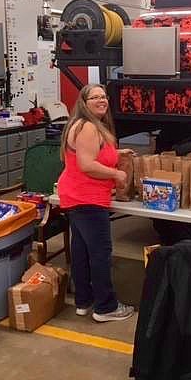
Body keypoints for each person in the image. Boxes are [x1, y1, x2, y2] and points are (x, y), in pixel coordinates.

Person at [57, 83, 134, 322]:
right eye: (95, 98)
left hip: (75, 197)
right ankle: (106, 307)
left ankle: (84, 301)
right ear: (84, 102)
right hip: (88, 199)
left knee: (81, 251)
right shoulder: (89, 127)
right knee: (100, 253)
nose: (102, 101)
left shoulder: (81, 124)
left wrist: (116, 155)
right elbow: (87, 164)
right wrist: (116, 174)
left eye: (104, 96)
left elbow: (88, 154)